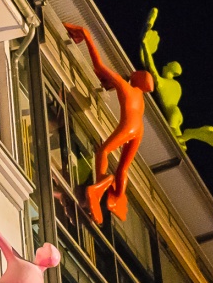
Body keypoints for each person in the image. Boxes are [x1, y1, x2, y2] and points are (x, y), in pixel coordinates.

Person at [64, 22, 153, 224]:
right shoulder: (140, 98)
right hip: (139, 129)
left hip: (130, 125)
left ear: (138, 80)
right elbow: (103, 75)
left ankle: (98, 187)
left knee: (103, 151)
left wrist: (87, 35)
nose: (134, 72)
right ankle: (115, 193)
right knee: (122, 169)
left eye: (137, 73)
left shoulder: (126, 86)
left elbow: (99, 66)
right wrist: (106, 81)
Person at [139, 8, 213, 150]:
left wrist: (145, 45)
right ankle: (193, 134)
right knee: (180, 146)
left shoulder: (168, 84)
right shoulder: (176, 86)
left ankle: (194, 133)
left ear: (171, 70)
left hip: (173, 113)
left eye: (168, 65)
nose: (164, 65)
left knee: (172, 140)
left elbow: (152, 70)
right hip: (176, 113)